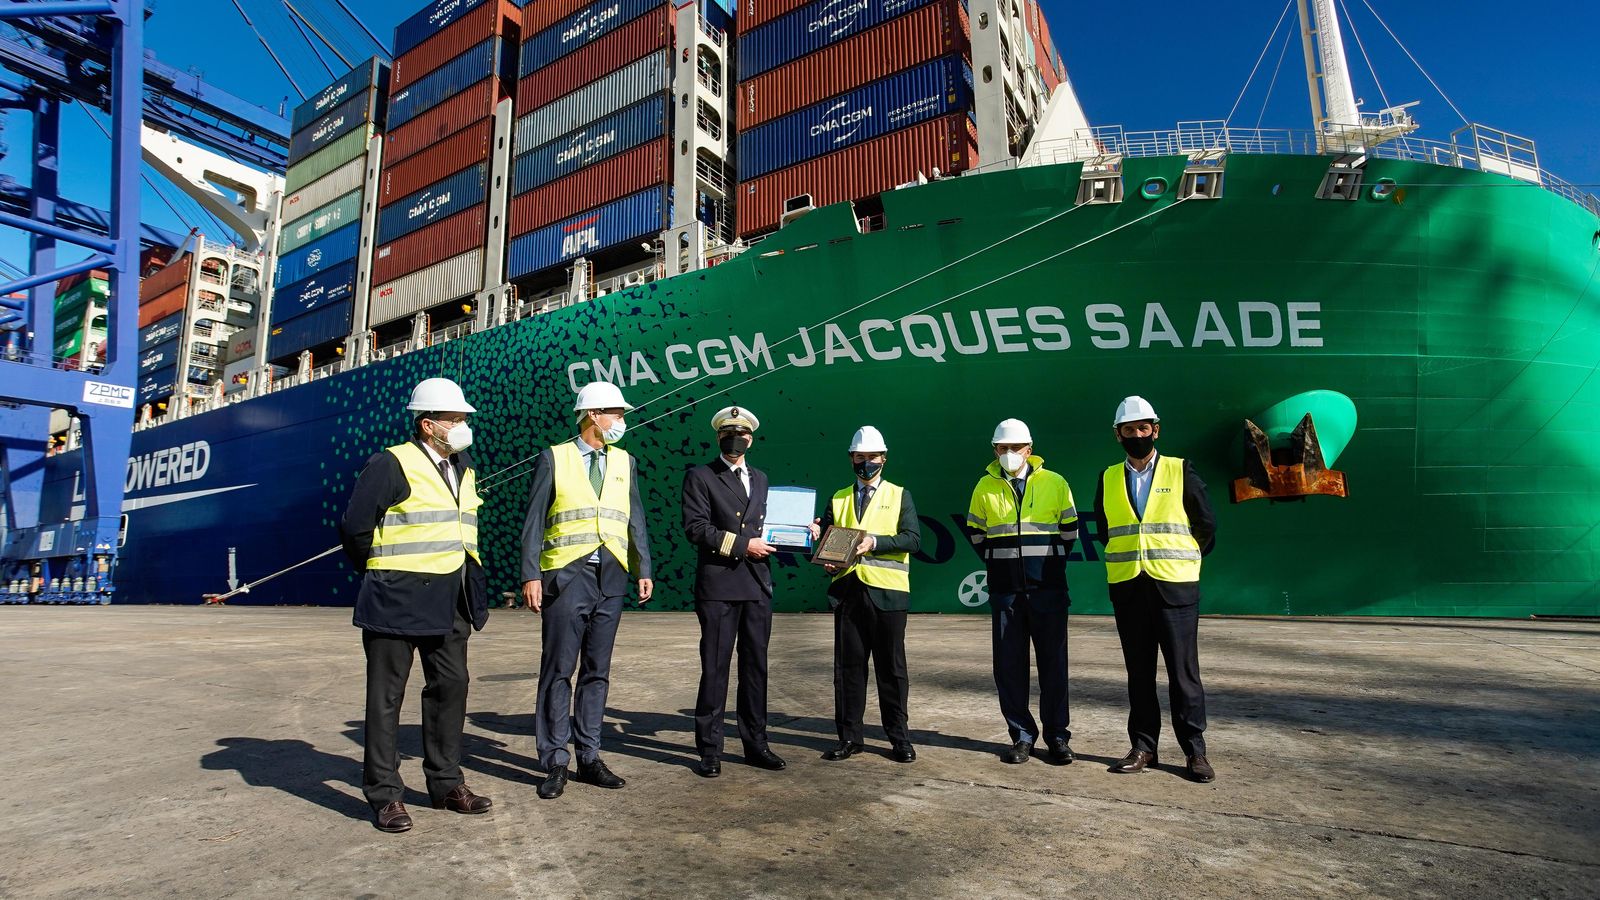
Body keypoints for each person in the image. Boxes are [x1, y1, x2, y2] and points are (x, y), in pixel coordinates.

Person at [339, 377, 493, 833]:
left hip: (452, 599)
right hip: (396, 598)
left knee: (452, 687)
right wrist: (382, 572)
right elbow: (354, 528)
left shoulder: (464, 467)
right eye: (455, 419)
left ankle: (446, 783)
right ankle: (385, 795)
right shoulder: (391, 463)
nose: (463, 425)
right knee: (386, 699)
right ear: (428, 425)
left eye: (464, 418)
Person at [519, 381, 653, 800]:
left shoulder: (624, 461)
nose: (622, 421)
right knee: (559, 671)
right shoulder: (554, 458)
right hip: (566, 576)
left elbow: (635, 518)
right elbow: (534, 521)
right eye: (618, 413)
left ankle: (589, 757)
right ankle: (555, 760)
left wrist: (642, 566)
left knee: (597, 672)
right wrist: (531, 575)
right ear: (593, 415)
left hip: (611, 578)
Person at [1093, 396, 1217, 783]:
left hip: (1174, 588)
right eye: (1128, 430)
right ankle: (1143, 747)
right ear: (1118, 435)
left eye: (1142, 428)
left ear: (1155, 430)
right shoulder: (1108, 477)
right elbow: (1104, 528)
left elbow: (1206, 525)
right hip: (1130, 588)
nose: (1136, 435)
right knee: (1139, 674)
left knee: (1183, 674)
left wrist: (1184, 561)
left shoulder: (1181, 470)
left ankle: (1195, 751)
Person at [964, 418, 1079, 766]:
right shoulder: (984, 486)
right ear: (995, 450)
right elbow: (975, 532)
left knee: (1053, 666)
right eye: (1003, 448)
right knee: (1010, 668)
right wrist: (1002, 566)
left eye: (1016, 448)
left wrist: (1044, 566)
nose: (1010, 453)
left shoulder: (1055, 483)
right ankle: (1021, 736)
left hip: (1048, 590)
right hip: (1006, 593)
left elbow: (1070, 530)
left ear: (1030, 449)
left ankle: (1058, 737)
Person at [680, 405, 787, 778]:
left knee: (756, 668)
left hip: (757, 584)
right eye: (728, 433)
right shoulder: (701, 476)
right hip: (720, 586)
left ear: (751, 439)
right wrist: (744, 546)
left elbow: (770, 526)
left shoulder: (761, 477)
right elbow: (696, 528)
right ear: (718, 437)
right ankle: (710, 749)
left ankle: (756, 743)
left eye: (741, 434)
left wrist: (802, 529)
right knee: (716, 669)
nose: (735, 439)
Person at [811, 426, 921, 763]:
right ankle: (850, 738)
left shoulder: (900, 495)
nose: (866, 462)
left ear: (883, 459)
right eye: (860, 457)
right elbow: (827, 541)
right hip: (848, 593)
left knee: (892, 670)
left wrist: (875, 542)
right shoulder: (839, 497)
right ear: (851, 458)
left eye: (872, 457)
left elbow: (913, 540)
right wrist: (818, 543)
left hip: (888, 595)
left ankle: (899, 739)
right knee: (848, 671)